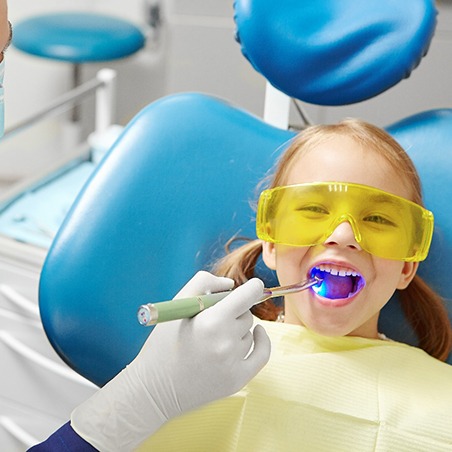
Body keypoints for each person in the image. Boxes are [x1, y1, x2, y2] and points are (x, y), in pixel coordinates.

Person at [65, 119, 452, 451]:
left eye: (379, 220)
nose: (343, 234)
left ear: (406, 265)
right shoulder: (196, 363)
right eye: (313, 210)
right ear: (270, 241)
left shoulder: (442, 395)